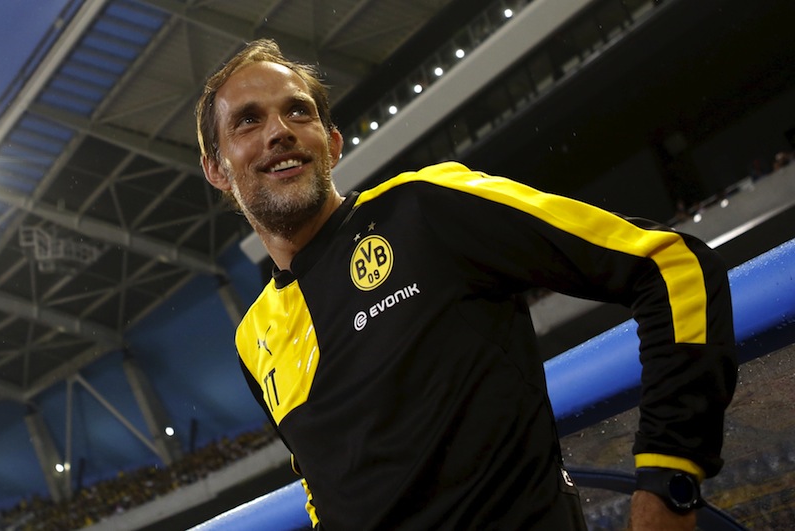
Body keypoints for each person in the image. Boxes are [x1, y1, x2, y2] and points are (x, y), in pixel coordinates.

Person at [195, 39, 737, 530]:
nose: (278, 130)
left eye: (298, 111)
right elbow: (323, 492)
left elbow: (671, 265)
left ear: (332, 143)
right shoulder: (254, 338)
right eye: (247, 121)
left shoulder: (424, 207)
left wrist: (669, 481)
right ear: (217, 170)